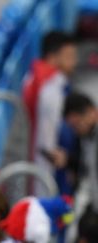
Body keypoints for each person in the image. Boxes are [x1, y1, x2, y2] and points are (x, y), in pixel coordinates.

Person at [23, 31, 78, 195]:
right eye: (70, 56)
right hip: (49, 169)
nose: (74, 62)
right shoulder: (52, 85)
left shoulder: (31, 76)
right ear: (53, 57)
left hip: (35, 162)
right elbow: (48, 134)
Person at [62, 93, 98, 241]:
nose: (75, 130)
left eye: (77, 124)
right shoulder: (85, 138)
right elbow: (88, 171)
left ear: (91, 112)